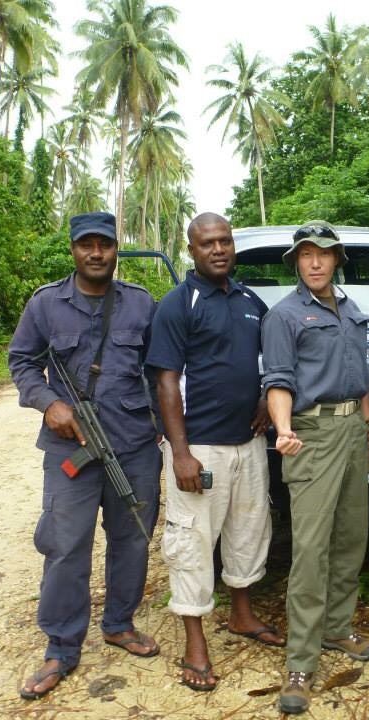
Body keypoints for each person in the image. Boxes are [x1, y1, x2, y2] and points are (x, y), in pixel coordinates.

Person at [9, 211, 162, 701]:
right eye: (86, 245)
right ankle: (60, 645)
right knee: (66, 545)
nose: (96, 253)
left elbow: (161, 370)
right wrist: (49, 403)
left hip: (134, 445)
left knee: (133, 539)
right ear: (73, 250)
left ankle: (119, 622)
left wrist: (162, 429)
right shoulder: (47, 304)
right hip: (70, 448)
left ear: (118, 248)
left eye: (106, 245)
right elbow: (22, 360)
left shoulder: (140, 304)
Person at [145, 212, 285, 693]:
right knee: (192, 543)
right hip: (200, 448)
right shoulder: (177, 304)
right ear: (192, 250)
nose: (219, 249)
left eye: (225, 240)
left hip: (248, 445)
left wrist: (268, 397)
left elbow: (271, 362)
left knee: (248, 531)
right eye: (208, 243)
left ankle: (242, 615)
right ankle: (195, 642)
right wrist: (180, 453)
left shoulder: (251, 302)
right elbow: (166, 382)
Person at [261, 221, 369, 715]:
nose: (314, 262)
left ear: (337, 261)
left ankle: (337, 628)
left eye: (323, 254)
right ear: (297, 262)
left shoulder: (351, 310)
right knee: (310, 550)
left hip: (353, 432)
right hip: (310, 436)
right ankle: (300, 662)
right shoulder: (284, 316)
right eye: (306, 254)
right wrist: (284, 430)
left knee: (351, 538)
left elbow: (360, 380)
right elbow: (279, 379)